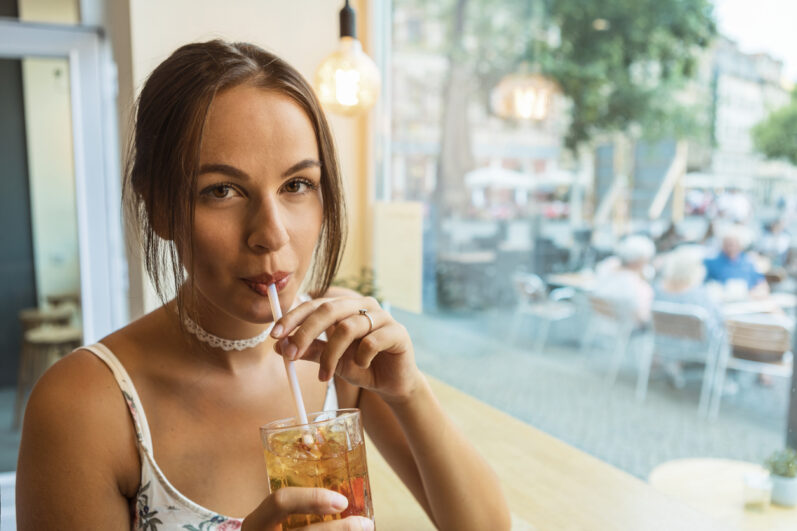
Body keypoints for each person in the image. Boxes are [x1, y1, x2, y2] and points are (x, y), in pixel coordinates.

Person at [16, 41, 511, 531]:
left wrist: (409, 392)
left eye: (297, 185)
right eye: (222, 191)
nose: (271, 233)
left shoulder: (341, 345)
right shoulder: (83, 406)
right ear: (161, 207)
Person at [593, 235, 655, 326]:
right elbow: (642, 318)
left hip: (601, 322)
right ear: (639, 261)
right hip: (625, 328)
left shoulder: (605, 267)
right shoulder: (638, 288)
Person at [703, 224, 769, 298]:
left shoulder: (748, 261)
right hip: (723, 302)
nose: (731, 247)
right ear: (722, 245)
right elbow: (702, 285)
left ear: (740, 245)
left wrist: (757, 292)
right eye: (727, 244)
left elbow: (761, 283)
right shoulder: (711, 262)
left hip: (747, 301)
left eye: (734, 243)